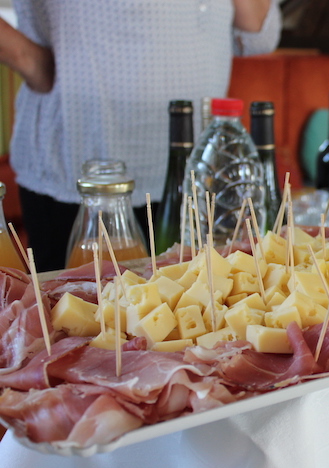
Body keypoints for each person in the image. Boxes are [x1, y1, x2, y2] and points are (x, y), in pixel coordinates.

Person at [0, 1, 281, 271]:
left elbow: (258, 35)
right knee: (77, 300)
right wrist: (28, 59)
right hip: (83, 171)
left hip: (193, 177)